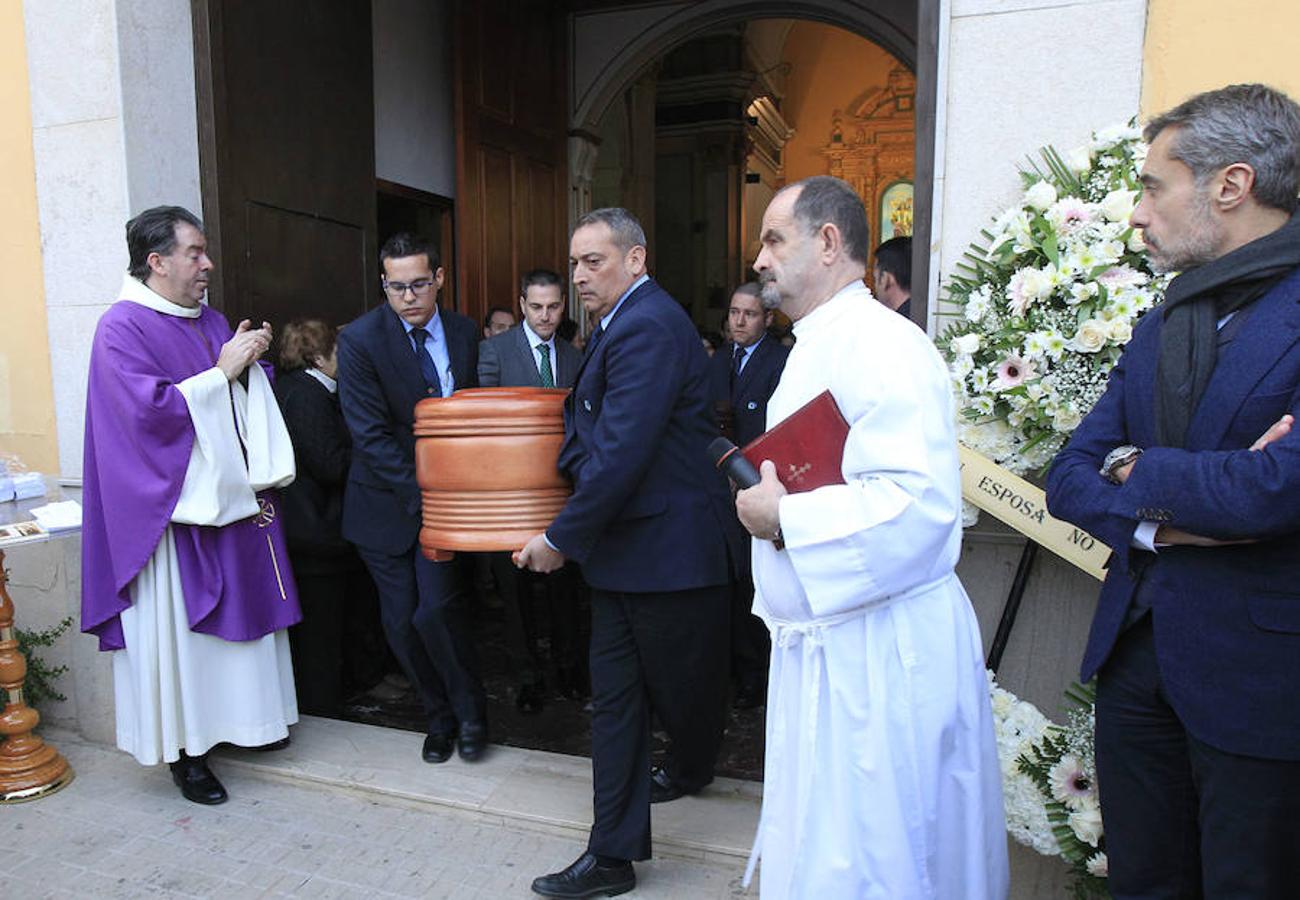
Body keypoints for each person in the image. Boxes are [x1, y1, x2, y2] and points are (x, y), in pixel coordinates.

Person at [1045, 83, 1300, 898]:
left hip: (1263, 678)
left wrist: (1136, 467)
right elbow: (1068, 481)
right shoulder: (1162, 324)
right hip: (1137, 663)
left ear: (1231, 184)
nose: (1135, 212)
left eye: (1155, 186)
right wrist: (1166, 523)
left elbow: (1273, 490)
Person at [733, 176, 1008, 898]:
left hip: (881, 654)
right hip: (830, 647)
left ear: (828, 243)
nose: (758, 259)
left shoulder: (886, 345)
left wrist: (784, 518)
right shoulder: (820, 342)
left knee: (882, 854)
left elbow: (918, 505)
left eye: (773, 239)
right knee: (828, 845)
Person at [517, 208, 734, 898]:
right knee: (616, 705)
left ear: (635, 260)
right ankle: (611, 855)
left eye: (594, 261)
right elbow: (596, 431)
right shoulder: (620, 324)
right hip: (630, 554)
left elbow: (623, 452)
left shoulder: (646, 325)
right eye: (575, 262)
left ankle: (693, 767)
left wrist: (559, 538)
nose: (580, 275)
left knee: (686, 696)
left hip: (667, 557)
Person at [80, 205, 301, 805]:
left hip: (226, 505)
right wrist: (223, 372)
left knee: (241, 618)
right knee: (179, 639)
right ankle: (186, 752)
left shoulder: (211, 319)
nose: (207, 264)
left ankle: (245, 724)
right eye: (194, 253)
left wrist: (250, 365)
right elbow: (144, 416)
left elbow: (232, 394)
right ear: (156, 261)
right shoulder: (121, 328)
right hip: (168, 520)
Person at [337, 232, 489, 764]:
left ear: (439, 279)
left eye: (419, 284)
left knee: (438, 612)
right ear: (384, 285)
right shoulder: (359, 340)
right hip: (385, 505)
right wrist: (424, 494)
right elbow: (369, 433)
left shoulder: (467, 332)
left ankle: (471, 714)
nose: (408, 297)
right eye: (395, 287)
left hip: (448, 507)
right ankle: (438, 716)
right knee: (401, 620)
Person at [477, 268, 585, 712]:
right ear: (522, 304)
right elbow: (485, 423)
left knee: (564, 589)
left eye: (554, 306)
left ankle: (568, 672)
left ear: (564, 305)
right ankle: (526, 678)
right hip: (511, 496)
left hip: (562, 493)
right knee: (516, 592)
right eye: (537, 306)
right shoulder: (494, 352)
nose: (545, 315)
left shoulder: (575, 358)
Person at [274, 319, 387, 717]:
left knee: (327, 621)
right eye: (338, 351)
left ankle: (333, 692)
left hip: (312, 528)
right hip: (316, 529)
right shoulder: (307, 395)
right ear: (319, 357)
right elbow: (328, 464)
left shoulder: (299, 389)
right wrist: (373, 449)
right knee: (321, 626)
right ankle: (322, 704)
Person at [706, 282, 789, 708]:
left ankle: (757, 672)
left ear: (768, 319)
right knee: (726, 581)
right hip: (718, 488)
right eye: (734, 313)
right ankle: (733, 666)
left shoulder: (782, 361)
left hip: (762, 485)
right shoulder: (717, 361)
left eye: (749, 314)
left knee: (755, 581)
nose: (739, 321)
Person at [872, 235, 912, 318]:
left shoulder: (895, 326)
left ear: (885, 279)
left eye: (875, 279)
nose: (874, 288)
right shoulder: (927, 313)